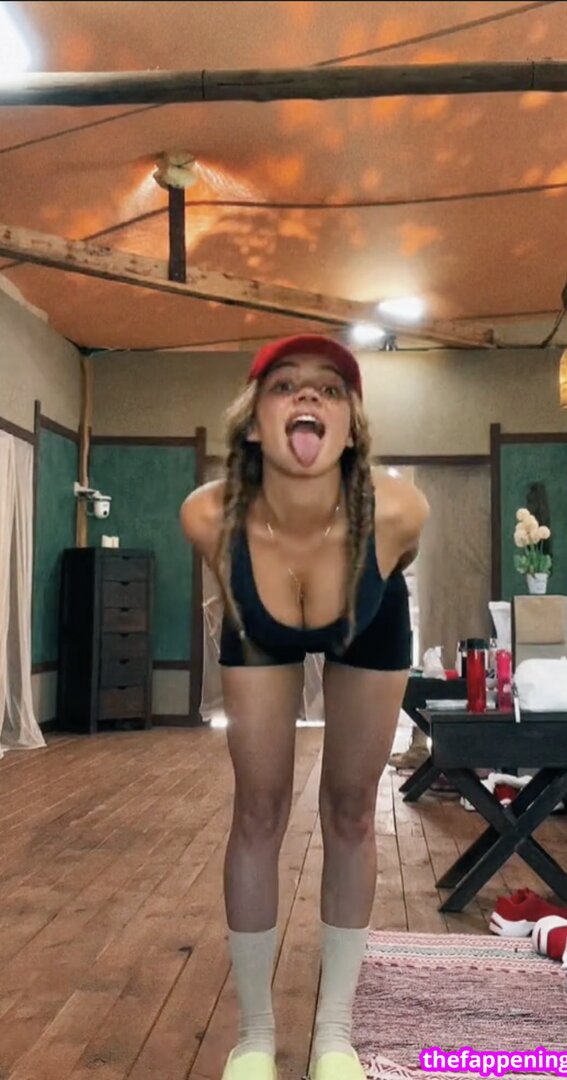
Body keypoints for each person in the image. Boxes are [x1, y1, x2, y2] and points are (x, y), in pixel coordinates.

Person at [180, 334, 429, 1080]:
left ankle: (335, 1036)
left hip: (368, 612)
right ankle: (255, 1036)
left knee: (351, 811)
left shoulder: (399, 511)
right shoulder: (208, 516)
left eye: (330, 387)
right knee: (258, 810)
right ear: (254, 423)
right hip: (259, 617)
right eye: (285, 385)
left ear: (350, 427)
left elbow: (404, 560)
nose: (308, 394)